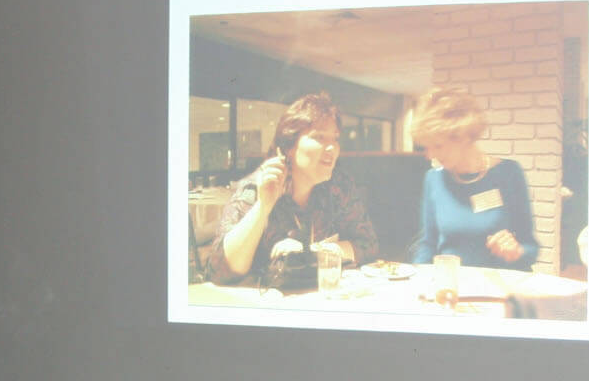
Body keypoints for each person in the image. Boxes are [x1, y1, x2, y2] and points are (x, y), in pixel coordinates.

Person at [208, 91, 378, 285]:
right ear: (289, 146)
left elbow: (368, 243)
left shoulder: (338, 186)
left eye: (335, 139)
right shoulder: (255, 189)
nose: (331, 148)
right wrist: (263, 206)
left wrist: (316, 253)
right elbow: (221, 271)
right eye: (319, 137)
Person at [408, 86, 540, 270]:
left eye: (437, 146)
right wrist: (417, 272)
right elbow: (428, 244)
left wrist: (516, 252)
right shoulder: (433, 179)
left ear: (463, 137)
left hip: (500, 286)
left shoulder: (509, 173)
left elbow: (531, 247)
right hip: (451, 286)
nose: (429, 156)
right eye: (426, 147)